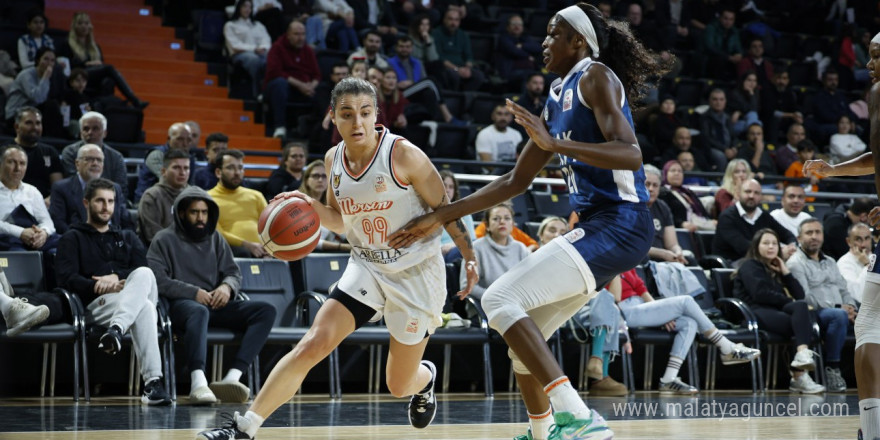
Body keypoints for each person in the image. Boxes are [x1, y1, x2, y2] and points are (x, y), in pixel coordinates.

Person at [386, 4, 669, 439]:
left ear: (578, 40)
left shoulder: (596, 76)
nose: (544, 41)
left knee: (498, 300)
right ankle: (544, 433)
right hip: (600, 224)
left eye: (554, 33)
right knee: (524, 340)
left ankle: (578, 415)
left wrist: (556, 143)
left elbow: (631, 153)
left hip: (622, 220)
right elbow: (516, 181)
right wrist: (441, 215)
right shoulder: (556, 95)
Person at [196, 77, 478, 440]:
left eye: (364, 113)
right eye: (347, 114)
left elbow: (447, 209)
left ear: (377, 114)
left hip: (415, 273)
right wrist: (307, 207)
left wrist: (469, 257)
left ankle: (425, 380)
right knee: (312, 343)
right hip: (368, 266)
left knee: (399, 384)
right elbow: (340, 220)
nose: (357, 122)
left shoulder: (404, 154)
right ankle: (244, 428)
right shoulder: (333, 160)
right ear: (333, 117)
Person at [148, 187, 276, 404]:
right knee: (198, 311)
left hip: (214, 304)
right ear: (181, 213)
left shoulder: (215, 238)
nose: (200, 218)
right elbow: (158, 280)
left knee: (265, 310)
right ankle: (198, 383)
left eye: (204, 213)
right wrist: (193, 292)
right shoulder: (163, 239)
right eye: (194, 212)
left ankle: (232, 377)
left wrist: (226, 287)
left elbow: (233, 272)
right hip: (182, 306)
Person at [55, 178, 171, 405]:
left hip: (127, 299)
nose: (106, 206)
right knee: (145, 307)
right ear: (86, 203)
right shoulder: (72, 237)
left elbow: (143, 270)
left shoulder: (126, 236)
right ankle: (153, 384)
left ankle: (116, 330)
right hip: (96, 305)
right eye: (100, 201)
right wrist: (97, 284)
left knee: (145, 275)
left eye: (111, 201)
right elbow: (66, 279)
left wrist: (116, 277)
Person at [612, 267, 759, 393]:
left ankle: (668, 379)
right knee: (686, 301)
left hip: (640, 307)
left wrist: (661, 312)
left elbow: (640, 288)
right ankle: (726, 347)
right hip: (622, 311)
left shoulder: (627, 259)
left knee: (689, 323)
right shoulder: (607, 260)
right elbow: (614, 297)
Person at [732, 228, 825, 393]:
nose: (771, 247)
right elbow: (760, 294)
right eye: (766, 243)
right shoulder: (749, 266)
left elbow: (800, 295)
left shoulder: (775, 267)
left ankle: (801, 356)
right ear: (756, 246)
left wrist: (785, 271)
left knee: (801, 308)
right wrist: (787, 300)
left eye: (774, 243)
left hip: (776, 310)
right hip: (754, 311)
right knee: (801, 326)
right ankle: (800, 376)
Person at [786, 218, 854, 392]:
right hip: (815, 313)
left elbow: (844, 289)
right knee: (838, 316)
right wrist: (840, 308)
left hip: (841, 310)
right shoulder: (795, 263)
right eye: (809, 233)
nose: (814, 237)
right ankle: (832, 368)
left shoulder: (831, 261)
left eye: (817, 232)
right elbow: (804, 297)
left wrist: (852, 307)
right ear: (799, 237)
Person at [61, 12, 147, 109]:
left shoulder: (95, 47)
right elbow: (67, 65)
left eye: (86, 23)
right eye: (80, 23)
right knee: (109, 68)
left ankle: (107, 109)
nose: (84, 26)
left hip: (93, 78)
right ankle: (134, 100)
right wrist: (87, 64)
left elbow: (100, 66)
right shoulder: (67, 44)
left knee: (109, 80)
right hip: (78, 74)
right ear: (74, 26)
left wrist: (96, 64)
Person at [49, 144, 132, 234]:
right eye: (89, 159)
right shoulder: (61, 188)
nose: (95, 163)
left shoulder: (115, 188)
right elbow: (59, 224)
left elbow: (126, 222)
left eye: (99, 160)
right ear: (77, 163)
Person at [713, 179, 796, 264]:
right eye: (748, 192)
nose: (752, 196)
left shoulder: (764, 216)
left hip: (760, 261)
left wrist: (791, 247)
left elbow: (787, 235)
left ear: (761, 197)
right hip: (733, 264)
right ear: (738, 194)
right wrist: (779, 252)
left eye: (756, 193)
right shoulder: (727, 217)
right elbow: (743, 248)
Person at [264, 20, 320, 138]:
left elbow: (317, 75)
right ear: (288, 35)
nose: (301, 38)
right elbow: (275, 72)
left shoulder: (308, 50)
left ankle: (316, 132)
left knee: (325, 91)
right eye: (297, 34)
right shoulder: (277, 47)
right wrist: (301, 85)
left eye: (303, 34)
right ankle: (279, 127)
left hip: (305, 89)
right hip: (284, 87)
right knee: (279, 84)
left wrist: (310, 87)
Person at [208, 149, 268, 258]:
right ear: (218, 172)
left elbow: (271, 226)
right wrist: (247, 245)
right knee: (243, 253)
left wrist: (270, 248)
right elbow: (217, 233)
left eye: (240, 168)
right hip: (231, 250)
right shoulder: (208, 198)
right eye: (231, 168)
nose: (237, 173)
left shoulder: (256, 195)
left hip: (262, 250)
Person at [463, 203, 529, 300]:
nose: (502, 222)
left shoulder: (520, 248)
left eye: (507, 218)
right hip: (488, 304)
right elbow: (467, 285)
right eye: (496, 219)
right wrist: (498, 298)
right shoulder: (476, 248)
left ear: (512, 224)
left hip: (519, 301)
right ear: (487, 225)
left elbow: (530, 280)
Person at [0, 145, 59, 252]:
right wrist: (21, 232)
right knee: (20, 254)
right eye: (12, 162)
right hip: (7, 239)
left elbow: (46, 221)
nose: (18, 168)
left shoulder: (32, 191)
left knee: (63, 245)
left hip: (34, 238)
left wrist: (43, 234)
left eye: (22, 163)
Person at [60, 111, 128, 197]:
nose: (90, 132)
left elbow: (120, 188)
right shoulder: (70, 152)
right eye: (86, 129)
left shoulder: (116, 157)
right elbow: (72, 183)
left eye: (95, 128)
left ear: (105, 133)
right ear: (81, 134)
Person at [5, 107, 63, 201]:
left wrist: (47, 202)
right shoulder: (4, 150)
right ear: (17, 127)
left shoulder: (50, 152)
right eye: (29, 123)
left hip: (43, 204)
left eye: (38, 123)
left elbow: (58, 188)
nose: (35, 127)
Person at [138, 149, 191, 244]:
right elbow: (154, 236)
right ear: (163, 171)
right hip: (160, 253)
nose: (182, 173)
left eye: (186, 168)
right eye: (176, 168)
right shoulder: (152, 196)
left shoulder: (195, 195)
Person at [135, 122, 195, 202]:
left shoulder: (189, 159)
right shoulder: (156, 154)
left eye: (189, 140)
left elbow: (190, 184)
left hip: (177, 201)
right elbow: (168, 181)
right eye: (180, 139)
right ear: (169, 139)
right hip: (149, 201)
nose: (185, 144)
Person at [224, 0, 272, 99]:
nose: (247, 9)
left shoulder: (258, 25)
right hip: (240, 54)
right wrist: (254, 49)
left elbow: (266, 39)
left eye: (249, 7)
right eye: (245, 7)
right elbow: (234, 45)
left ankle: (269, 91)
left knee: (270, 59)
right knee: (254, 60)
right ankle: (257, 92)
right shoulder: (230, 25)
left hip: (260, 52)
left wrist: (263, 48)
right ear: (239, 8)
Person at [644, 164, 689, 264]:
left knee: (688, 262)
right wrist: (662, 254)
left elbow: (672, 244)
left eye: (655, 185)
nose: (651, 189)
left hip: (663, 260)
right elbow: (633, 248)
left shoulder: (663, 207)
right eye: (647, 184)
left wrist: (678, 252)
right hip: (641, 260)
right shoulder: (631, 207)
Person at [658, 160, 715, 232]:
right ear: (665, 174)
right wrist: (681, 224)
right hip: (683, 229)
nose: (677, 173)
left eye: (680, 171)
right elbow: (664, 214)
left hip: (700, 223)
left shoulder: (687, 192)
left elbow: (702, 211)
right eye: (673, 171)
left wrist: (709, 220)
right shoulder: (663, 193)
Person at [439, 170, 475, 262]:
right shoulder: (426, 211)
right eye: (444, 185)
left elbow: (472, 240)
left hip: (456, 251)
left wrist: (452, 245)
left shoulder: (464, 213)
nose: (447, 190)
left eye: (451, 187)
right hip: (434, 254)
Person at [475, 103, 523, 173]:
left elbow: (520, 159)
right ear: (493, 116)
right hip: (491, 177)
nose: (503, 118)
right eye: (499, 114)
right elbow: (487, 164)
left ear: (511, 117)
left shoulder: (516, 134)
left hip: (513, 175)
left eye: (506, 114)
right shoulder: (484, 134)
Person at [838, 222, 872, 304]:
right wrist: (867, 265)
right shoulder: (844, 263)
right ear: (849, 241)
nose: (864, 244)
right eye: (858, 239)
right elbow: (858, 296)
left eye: (867, 238)